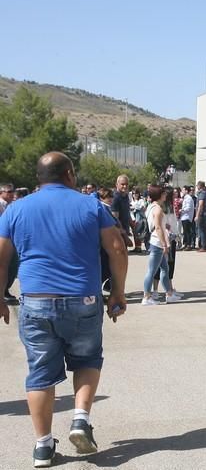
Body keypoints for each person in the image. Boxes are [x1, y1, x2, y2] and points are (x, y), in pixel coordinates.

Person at [0, 152, 127, 467]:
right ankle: (80, 419)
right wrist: (118, 293)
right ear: (70, 174)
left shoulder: (15, 209)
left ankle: (43, 447)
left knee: (41, 372)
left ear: (39, 177)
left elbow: (1, 259)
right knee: (87, 359)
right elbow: (117, 248)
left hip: (36, 301)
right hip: (83, 298)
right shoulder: (91, 205)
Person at [142, 185, 182, 305]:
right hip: (157, 243)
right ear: (159, 195)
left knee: (165, 269)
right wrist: (165, 244)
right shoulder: (157, 209)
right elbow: (158, 228)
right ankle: (146, 296)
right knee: (152, 271)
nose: (166, 195)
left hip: (157, 242)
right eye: (163, 194)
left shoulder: (152, 207)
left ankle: (168, 294)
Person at [152, 187, 182, 299]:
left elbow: (174, 222)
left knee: (170, 265)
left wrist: (177, 235)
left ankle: (170, 288)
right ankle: (155, 290)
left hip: (172, 237)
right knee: (159, 267)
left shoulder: (171, 206)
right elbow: (163, 224)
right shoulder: (162, 207)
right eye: (173, 193)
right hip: (165, 238)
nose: (176, 194)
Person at [111, 175, 133, 250]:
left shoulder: (126, 196)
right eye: (122, 184)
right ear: (117, 184)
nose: (125, 186)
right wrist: (125, 236)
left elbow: (127, 213)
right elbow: (115, 218)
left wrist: (133, 226)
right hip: (118, 234)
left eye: (126, 184)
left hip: (125, 231)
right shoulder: (115, 198)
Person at [195, 180, 206, 252]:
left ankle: (204, 247)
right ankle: (203, 246)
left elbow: (201, 205)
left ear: (199, 186)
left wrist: (197, 215)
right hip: (205, 214)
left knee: (202, 231)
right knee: (203, 230)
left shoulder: (202, 193)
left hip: (202, 214)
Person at [180, 185, 195, 250]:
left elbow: (188, 208)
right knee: (185, 232)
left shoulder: (188, 198)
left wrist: (182, 210)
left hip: (187, 217)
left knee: (187, 232)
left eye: (183, 190)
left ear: (186, 191)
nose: (182, 191)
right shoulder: (185, 197)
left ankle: (188, 244)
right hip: (184, 217)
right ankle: (186, 244)